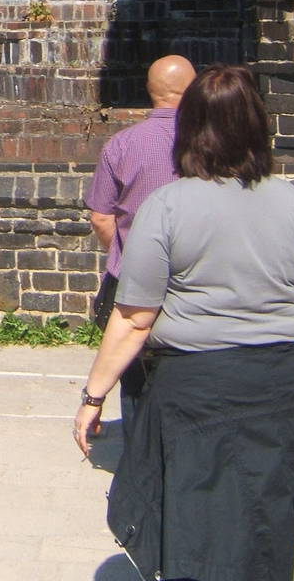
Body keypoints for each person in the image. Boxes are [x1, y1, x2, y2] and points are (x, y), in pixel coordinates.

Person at [72, 64, 294, 581]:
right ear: (258, 126)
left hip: (198, 390)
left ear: (191, 128)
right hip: (282, 387)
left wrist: (94, 397)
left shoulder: (167, 207)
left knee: (195, 526)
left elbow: (136, 318)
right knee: (269, 523)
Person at [85, 54, 195, 421]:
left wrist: (127, 258)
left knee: (133, 370)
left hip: (134, 280)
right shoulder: (211, 143)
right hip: (194, 281)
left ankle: (138, 452)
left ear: (151, 92)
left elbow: (102, 218)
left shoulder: (122, 144)